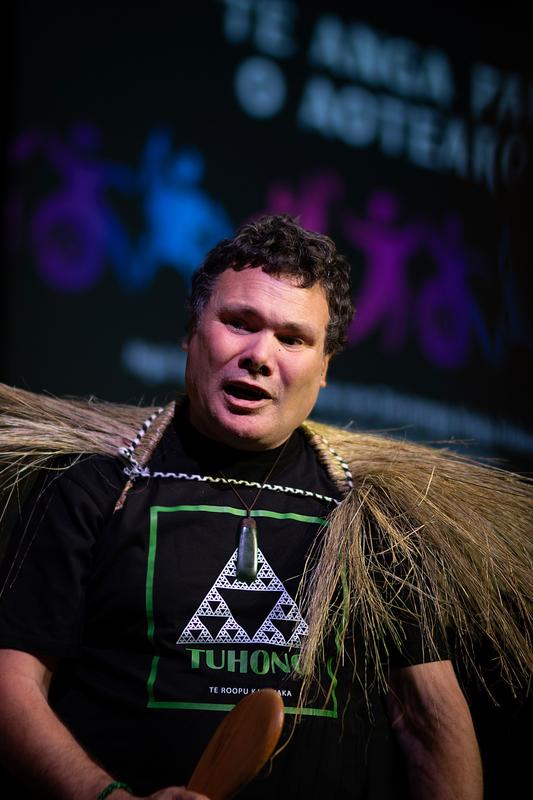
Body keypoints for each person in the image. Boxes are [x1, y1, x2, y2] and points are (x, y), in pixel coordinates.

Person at [0, 215, 531, 800]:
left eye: (293, 339)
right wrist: (109, 799)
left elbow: (428, 722)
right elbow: (12, 686)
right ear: (191, 333)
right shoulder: (94, 487)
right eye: (239, 322)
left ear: (324, 367)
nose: (259, 355)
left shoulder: (373, 515)